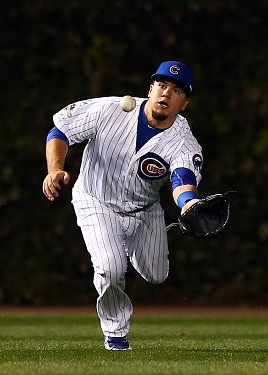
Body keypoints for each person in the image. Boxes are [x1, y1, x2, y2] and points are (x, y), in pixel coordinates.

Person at [42, 61, 203, 350]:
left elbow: (183, 177)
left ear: (185, 103)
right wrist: (55, 169)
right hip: (96, 200)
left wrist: (188, 203)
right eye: (162, 85)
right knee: (110, 267)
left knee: (156, 275)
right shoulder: (111, 109)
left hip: (145, 210)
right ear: (151, 88)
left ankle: (134, 240)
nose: (166, 93)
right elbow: (60, 131)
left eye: (176, 90)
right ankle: (116, 334)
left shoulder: (183, 141)